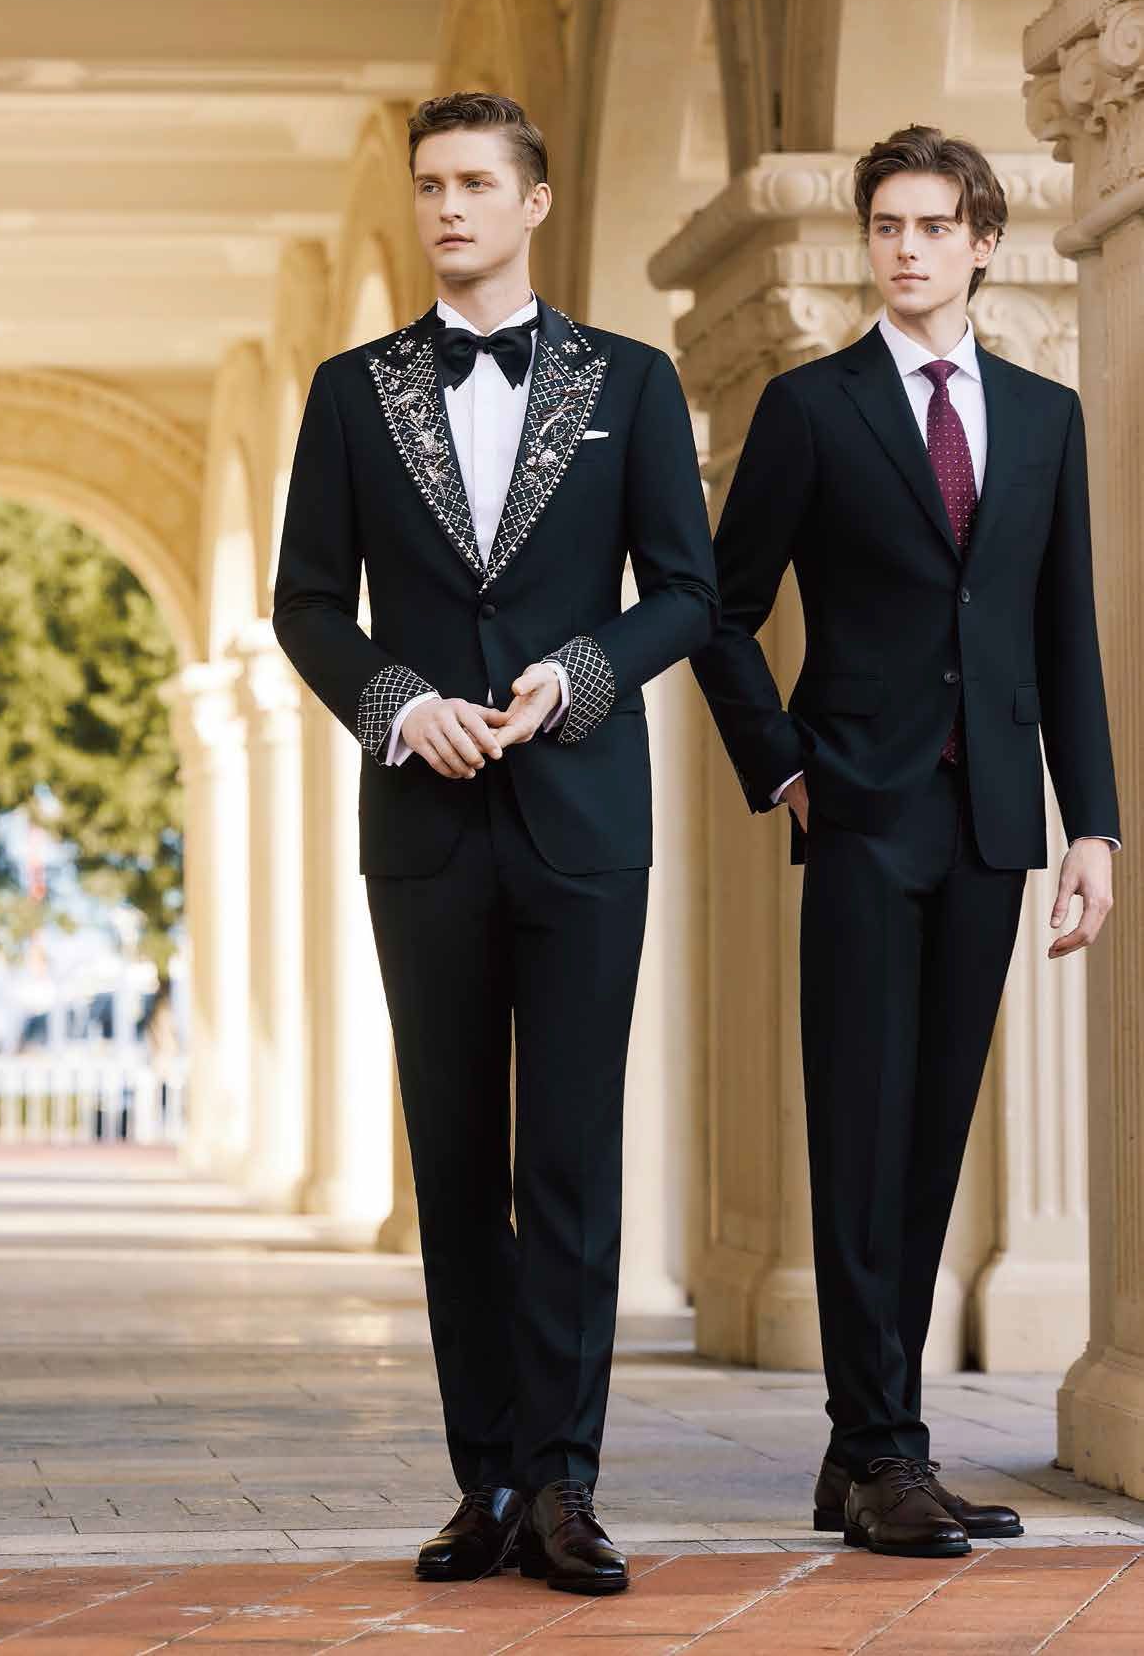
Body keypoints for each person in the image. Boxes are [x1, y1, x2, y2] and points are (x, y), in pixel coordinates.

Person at [273, 91, 717, 1594]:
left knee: (572, 1155)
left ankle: (567, 1488)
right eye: (428, 185)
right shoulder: (349, 391)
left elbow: (685, 590)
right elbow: (307, 605)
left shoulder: (632, 383)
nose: (447, 206)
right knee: (457, 1159)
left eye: (473, 183)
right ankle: (486, 1481)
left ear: (533, 203)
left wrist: (579, 674)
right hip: (423, 820)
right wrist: (399, 703)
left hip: (583, 813)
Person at [693, 125, 1119, 1560]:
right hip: (864, 814)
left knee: (931, 1132)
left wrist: (1093, 827)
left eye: (933, 224)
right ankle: (880, 1452)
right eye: (886, 225)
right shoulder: (810, 410)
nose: (906, 247)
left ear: (983, 240)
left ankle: (872, 1450)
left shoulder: (1043, 417)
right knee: (861, 1132)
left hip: (992, 821)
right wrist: (783, 765)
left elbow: (1061, 637)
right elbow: (716, 605)